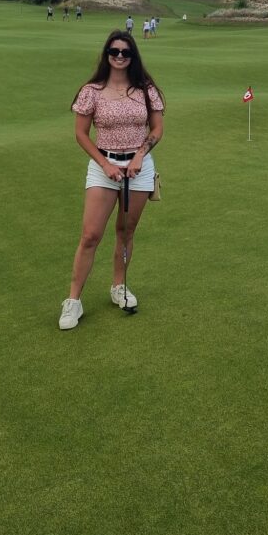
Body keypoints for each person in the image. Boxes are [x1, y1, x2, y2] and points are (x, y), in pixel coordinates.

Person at [59, 30, 165, 330]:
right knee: (91, 235)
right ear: (106, 54)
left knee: (126, 231)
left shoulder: (146, 89)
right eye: (114, 51)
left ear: (133, 57)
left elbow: (157, 129)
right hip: (103, 167)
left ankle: (119, 286)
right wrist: (105, 164)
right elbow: (81, 134)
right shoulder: (91, 91)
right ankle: (73, 301)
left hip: (138, 168)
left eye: (125, 52)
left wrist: (140, 154)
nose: (119, 56)